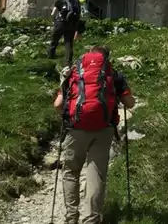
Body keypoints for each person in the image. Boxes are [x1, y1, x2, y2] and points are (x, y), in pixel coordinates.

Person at [53, 46, 135, 224]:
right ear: (107, 59)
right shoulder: (114, 75)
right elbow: (130, 103)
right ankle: (91, 219)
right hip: (103, 130)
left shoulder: (74, 74)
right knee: (96, 175)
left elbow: (58, 104)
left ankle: (71, 217)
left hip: (76, 129)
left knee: (71, 172)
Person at [48, 0, 82, 66]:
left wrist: (54, 22)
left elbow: (53, 13)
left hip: (60, 23)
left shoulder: (59, 0)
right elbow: (79, 14)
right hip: (72, 24)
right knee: (68, 43)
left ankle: (51, 57)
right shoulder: (76, 1)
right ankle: (68, 61)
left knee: (54, 40)